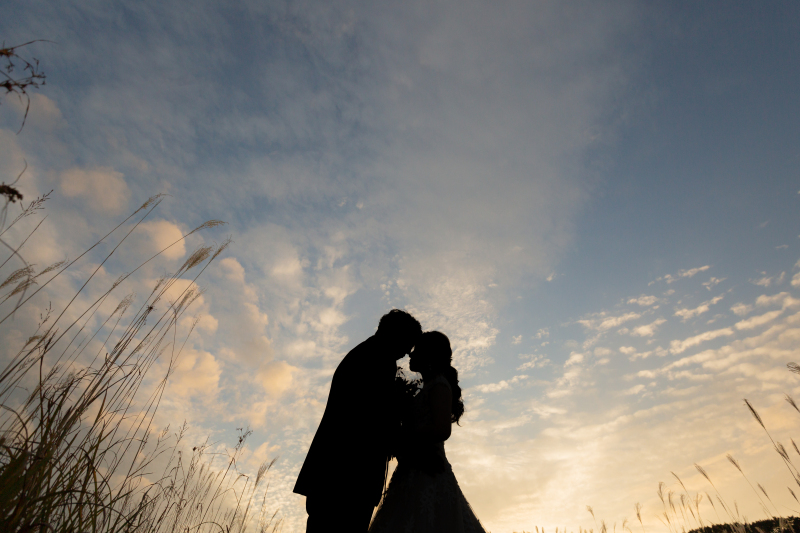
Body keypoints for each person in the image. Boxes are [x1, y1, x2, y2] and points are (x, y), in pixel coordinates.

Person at [293, 309, 422, 533]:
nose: (407, 353)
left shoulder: (368, 354)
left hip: (336, 474)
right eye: (407, 344)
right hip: (346, 476)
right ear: (395, 334)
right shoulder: (376, 359)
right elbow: (372, 418)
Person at [369, 331, 487, 533]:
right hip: (414, 466)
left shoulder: (440, 386)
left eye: (416, 351)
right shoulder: (427, 387)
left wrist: (404, 436)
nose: (410, 355)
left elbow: (442, 429)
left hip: (429, 469)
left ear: (428, 355)